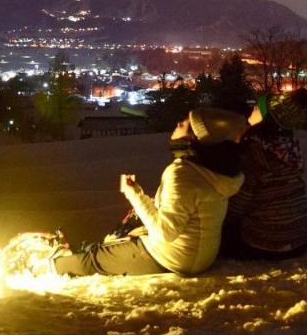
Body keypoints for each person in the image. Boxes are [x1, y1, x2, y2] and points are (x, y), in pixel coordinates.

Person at [52, 108, 245, 277]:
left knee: (90, 260)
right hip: (202, 256)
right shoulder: (216, 172)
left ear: (193, 139)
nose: (177, 123)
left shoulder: (182, 174)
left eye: (185, 124)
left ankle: (48, 265)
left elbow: (165, 232)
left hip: (172, 257)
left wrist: (134, 195)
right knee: (121, 240)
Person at [221, 98, 307, 260]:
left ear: (266, 118)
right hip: (299, 240)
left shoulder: (255, 152)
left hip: (268, 244)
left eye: (257, 108)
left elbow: (240, 202)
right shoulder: (289, 149)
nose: (252, 110)